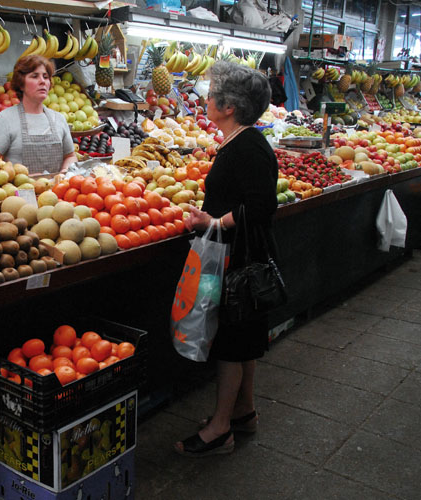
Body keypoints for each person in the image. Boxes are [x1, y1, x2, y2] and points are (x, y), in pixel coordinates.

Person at [174, 61, 278, 457]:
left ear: (229, 106)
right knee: (247, 338)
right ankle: (243, 412)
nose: (206, 99)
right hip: (241, 254)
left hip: (239, 260)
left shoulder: (248, 147)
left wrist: (215, 220)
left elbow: (261, 206)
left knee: (231, 343)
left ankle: (220, 429)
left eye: (212, 93)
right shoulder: (241, 142)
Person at [0, 55, 77, 174]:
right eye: (34, 76)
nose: (42, 81)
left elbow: (70, 156)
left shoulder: (58, 119)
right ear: (21, 84)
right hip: (19, 191)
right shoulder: (6, 119)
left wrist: (66, 171)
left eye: (46, 77)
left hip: (57, 191)